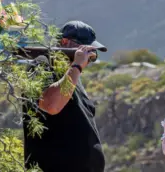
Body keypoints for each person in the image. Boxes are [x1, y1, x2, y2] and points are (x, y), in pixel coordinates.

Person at [22, 20, 107, 172]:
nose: (89, 56)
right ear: (64, 42)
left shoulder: (73, 76)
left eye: (91, 53)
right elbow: (51, 105)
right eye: (84, 50)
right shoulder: (41, 64)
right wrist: (77, 65)